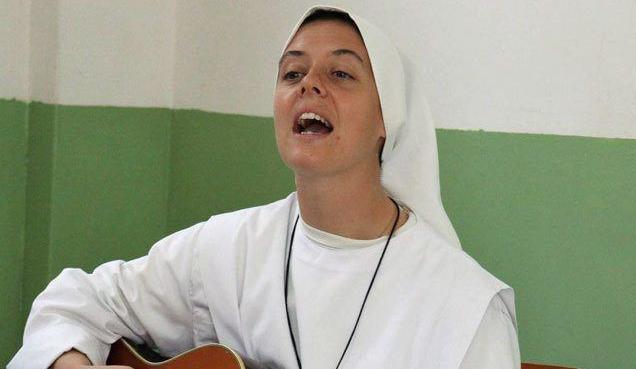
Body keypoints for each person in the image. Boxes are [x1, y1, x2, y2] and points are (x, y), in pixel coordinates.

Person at [9, 5, 520, 369]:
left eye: (341, 73)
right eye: (292, 72)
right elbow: (73, 301)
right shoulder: (228, 249)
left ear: (389, 118)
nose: (309, 85)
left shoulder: (466, 310)